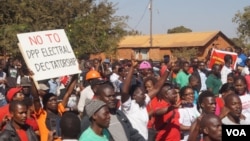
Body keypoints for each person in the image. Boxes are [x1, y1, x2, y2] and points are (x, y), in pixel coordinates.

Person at [120, 59, 169, 140]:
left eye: (144, 94)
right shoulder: (128, 106)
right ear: (134, 96)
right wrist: (132, 68)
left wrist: (167, 70)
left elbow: (156, 88)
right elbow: (125, 91)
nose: (144, 96)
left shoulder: (143, 103)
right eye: (142, 94)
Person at [81, 83, 145, 141]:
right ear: (99, 98)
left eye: (113, 96)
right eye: (108, 96)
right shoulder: (90, 119)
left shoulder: (119, 114)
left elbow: (132, 133)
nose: (112, 98)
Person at [33, 74, 77, 141]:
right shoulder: (41, 114)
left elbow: (68, 93)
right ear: (45, 103)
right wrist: (31, 79)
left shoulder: (59, 109)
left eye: (55, 100)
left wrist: (76, 74)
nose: (54, 102)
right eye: (51, 100)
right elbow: (36, 98)